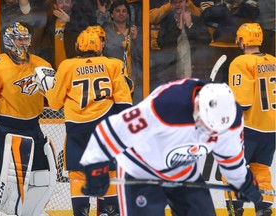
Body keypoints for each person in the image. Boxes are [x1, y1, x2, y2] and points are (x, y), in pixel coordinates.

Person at [78, 78, 263, 216]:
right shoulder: (167, 105)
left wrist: (242, 182)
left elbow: (230, 158)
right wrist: (96, 165)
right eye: (207, 126)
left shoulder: (229, 120)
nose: (210, 135)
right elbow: (112, 129)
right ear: (198, 106)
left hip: (184, 172)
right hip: (140, 170)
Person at [42, 29, 132, 216]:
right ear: (100, 47)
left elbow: (54, 103)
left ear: (77, 46)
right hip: (104, 131)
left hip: (77, 130)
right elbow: (124, 103)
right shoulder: (112, 64)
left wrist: (46, 87)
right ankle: (110, 212)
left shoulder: (67, 66)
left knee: (78, 176)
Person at [0, 22, 57, 216]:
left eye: (27, 38)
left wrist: (52, 87)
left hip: (33, 127)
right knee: (7, 177)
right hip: (6, 127)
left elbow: (55, 102)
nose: (24, 42)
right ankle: (4, 210)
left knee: (42, 175)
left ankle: (29, 211)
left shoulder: (43, 65)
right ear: (9, 40)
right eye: (20, 38)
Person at [225, 22, 276, 216]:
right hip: (272, 128)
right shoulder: (273, 60)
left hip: (249, 127)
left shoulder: (241, 62)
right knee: (261, 169)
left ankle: (235, 209)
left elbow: (243, 102)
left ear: (242, 40)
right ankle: (263, 209)